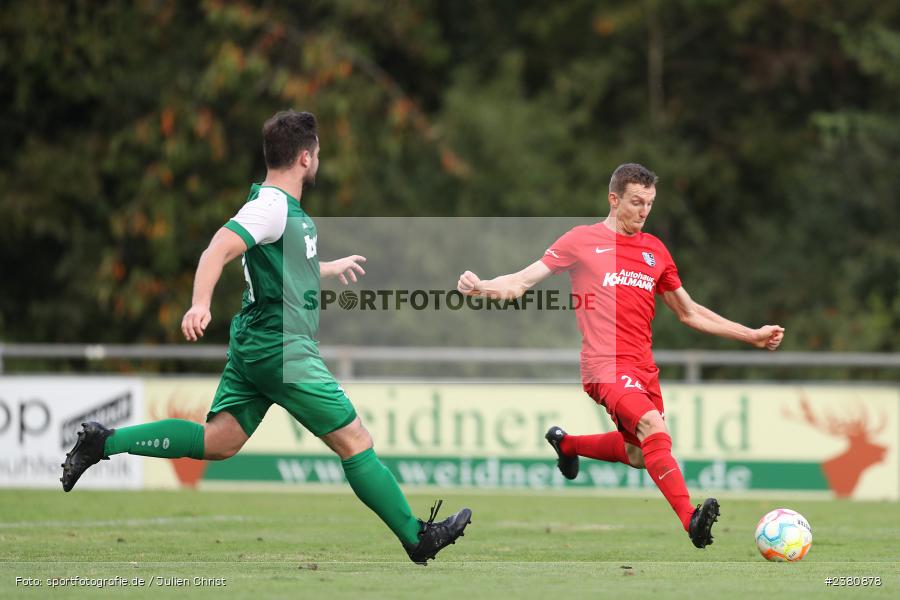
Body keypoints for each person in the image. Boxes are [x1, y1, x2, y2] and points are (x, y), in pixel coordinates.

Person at [61, 110, 471, 565]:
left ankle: (104, 442)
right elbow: (218, 247)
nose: (319, 160)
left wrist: (325, 268)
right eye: (317, 153)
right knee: (355, 440)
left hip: (259, 344)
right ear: (303, 157)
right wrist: (200, 303)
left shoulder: (280, 209)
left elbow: (278, 266)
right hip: (281, 347)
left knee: (218, 441)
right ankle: (417, 537)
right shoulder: (272, 206)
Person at [457, 163, 783, 548]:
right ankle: (691, 520)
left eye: (649, 203)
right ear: (614, 199)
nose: (644, 211)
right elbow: (521, 281)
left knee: (641, 453)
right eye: (635, 202)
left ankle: (569, 445)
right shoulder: (581, 240)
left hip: (643, 367)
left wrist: (751, 335)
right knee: (653, 429)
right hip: (605, 365)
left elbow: (688, 311)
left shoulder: (655, 250)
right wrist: (481, 287)